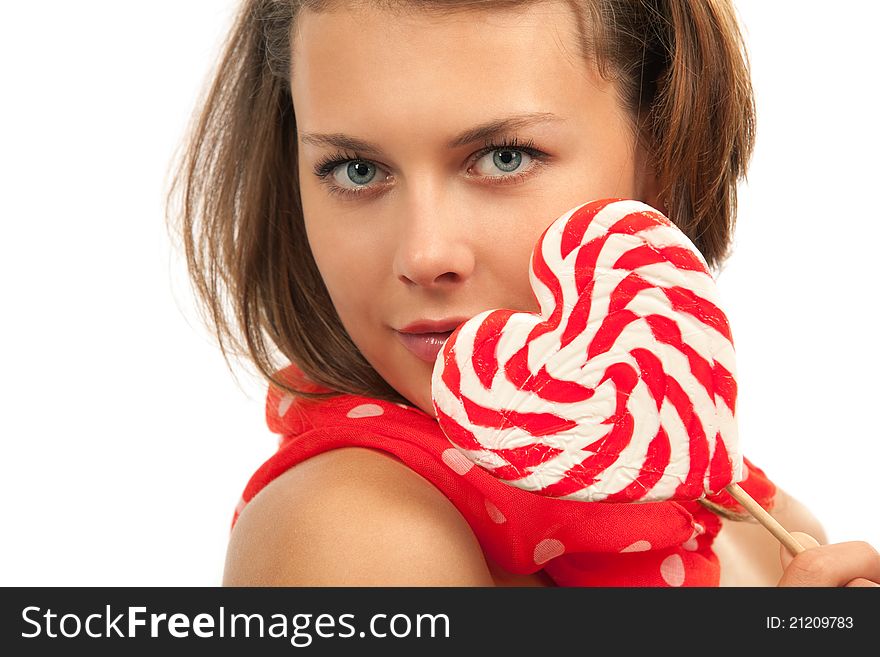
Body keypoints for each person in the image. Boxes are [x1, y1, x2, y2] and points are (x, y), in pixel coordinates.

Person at [167, 0, 879, 586]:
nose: (424, 255)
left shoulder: (759, 527)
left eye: (503, 158)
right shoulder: (350, 533)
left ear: (661, 154)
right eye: (355, 169)